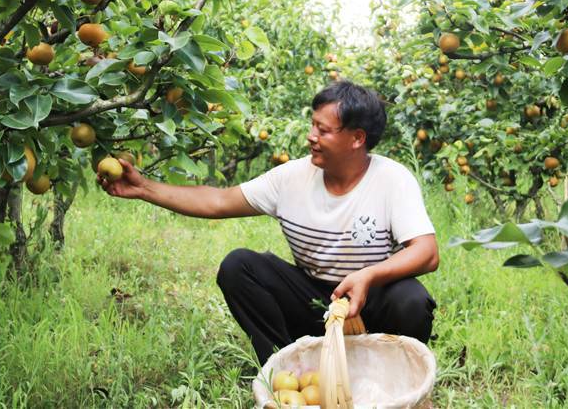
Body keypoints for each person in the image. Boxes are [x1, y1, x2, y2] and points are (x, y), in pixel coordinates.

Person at [99, 80, 439, 365]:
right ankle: (287, 366)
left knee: (411, 299)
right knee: (239, 267)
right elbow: (218, 201)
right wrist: (144, 188)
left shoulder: (392, 180)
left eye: (323, 129)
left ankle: (392, 371)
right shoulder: (292, 178)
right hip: (315, 300)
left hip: (370, 299)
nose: (311, 136)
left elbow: (427, 252)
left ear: (357, 138)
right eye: (312, 125)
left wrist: (368, 275)